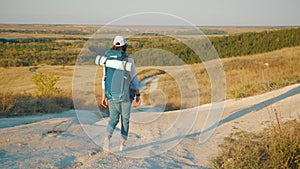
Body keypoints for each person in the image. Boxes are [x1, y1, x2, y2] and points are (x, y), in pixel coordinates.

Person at [101, 35, 141, 151]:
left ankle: (107, 138)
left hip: (110, 94)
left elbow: (104, 78)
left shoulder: (107, 60)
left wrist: (104, 95)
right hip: (125, 95)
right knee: (125, 119)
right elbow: (134, 79)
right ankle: (123, 145)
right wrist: (138, 94)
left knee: (113, 118)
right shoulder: (129, 61)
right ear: (125, 47)